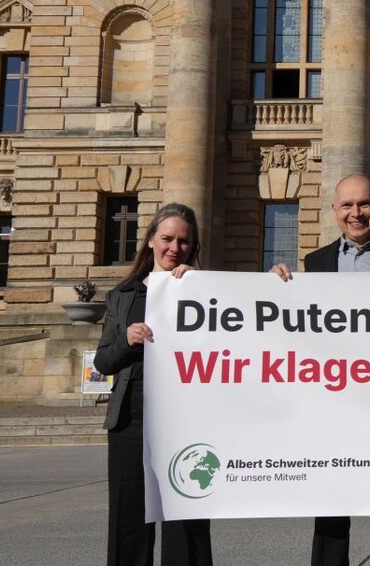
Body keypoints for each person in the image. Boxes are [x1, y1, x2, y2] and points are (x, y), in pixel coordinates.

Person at [270, 173, 370, 566]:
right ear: (335, 211)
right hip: (334, 404)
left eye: (364, 204)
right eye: (348, 206)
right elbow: (301, 329)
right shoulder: (316, 263)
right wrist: (273, 289)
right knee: (331, 505)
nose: (357, 214)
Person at [94, 202, 213, 566]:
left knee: (185, 518)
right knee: (128, 517)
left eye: (183, 242)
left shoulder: (206, 291)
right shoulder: (122, 295)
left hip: (183, 419)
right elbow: (103, 362)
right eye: (167, 238)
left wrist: (201, 289)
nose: (174, 248)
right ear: (149, 240)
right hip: (132, 417)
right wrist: (125, 340)